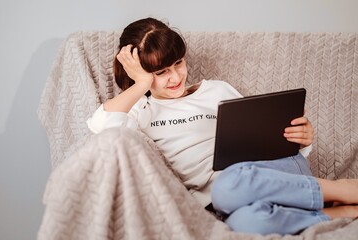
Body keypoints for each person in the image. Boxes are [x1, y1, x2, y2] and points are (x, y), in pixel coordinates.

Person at [86, 17, 358, 235]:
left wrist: (303, 140)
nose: (175, 77)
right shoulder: (139, 111)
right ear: (141, 73)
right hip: (225, 200)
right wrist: (142, 85)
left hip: (272, 171)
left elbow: (261, 135)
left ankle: (345, 189)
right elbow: (102, 127)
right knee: (245, 225)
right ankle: (342, 211)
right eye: (161, 72)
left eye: (178, 63)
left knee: (228, 184)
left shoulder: (216, 91)